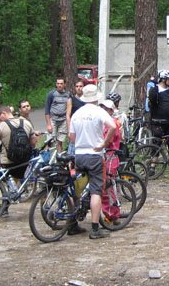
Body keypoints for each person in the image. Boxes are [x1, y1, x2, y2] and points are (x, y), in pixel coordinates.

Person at [69, 84, 118, 240]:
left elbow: (71, 137)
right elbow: (113, 126)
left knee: (78, 188)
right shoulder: (98, 111)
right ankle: (95, 228)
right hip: (94, 154)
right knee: (96, 191)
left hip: (79, 155)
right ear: (96, 97)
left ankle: (72, 222)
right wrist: (104, 143)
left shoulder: (77, 114)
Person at [44, 77, 71, 151]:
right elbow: (47, 110)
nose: (59, 85)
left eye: (61, 83)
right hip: (53, 119)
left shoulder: (68, 94)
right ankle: (47, 156)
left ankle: (59, 156)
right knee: (50, 141)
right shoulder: (51, 94)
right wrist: (48, 124)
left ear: (64, 84)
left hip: (63, 120)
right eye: (58, 83)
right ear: (56, 84)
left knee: (60, 141)